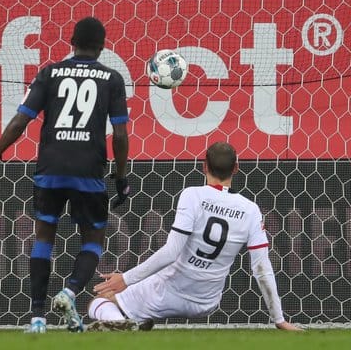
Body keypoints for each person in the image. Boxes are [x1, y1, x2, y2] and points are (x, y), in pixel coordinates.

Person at [0, 16, 130, 333]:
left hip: (50, 169)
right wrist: (120, 177)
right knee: (92, 241)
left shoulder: (49, 73)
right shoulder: (112, 79)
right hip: (88, 171)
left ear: (71, 43)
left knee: (44, 239)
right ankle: (70, 291)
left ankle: (37, 317)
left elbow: (20, 121)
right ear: (102, 47)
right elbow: (119, 135)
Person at [88, 142, 302, 331]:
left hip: (169, 290)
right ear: (236, 168)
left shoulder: (193, 195)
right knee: (140, 303)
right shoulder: (251, 210)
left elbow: (171, 252)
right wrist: (279, 319)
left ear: (204, 166)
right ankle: (132, 323)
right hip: (206, 302)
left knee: (100, 302)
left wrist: (125, 279)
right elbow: (262, 268)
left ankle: (123, 325)